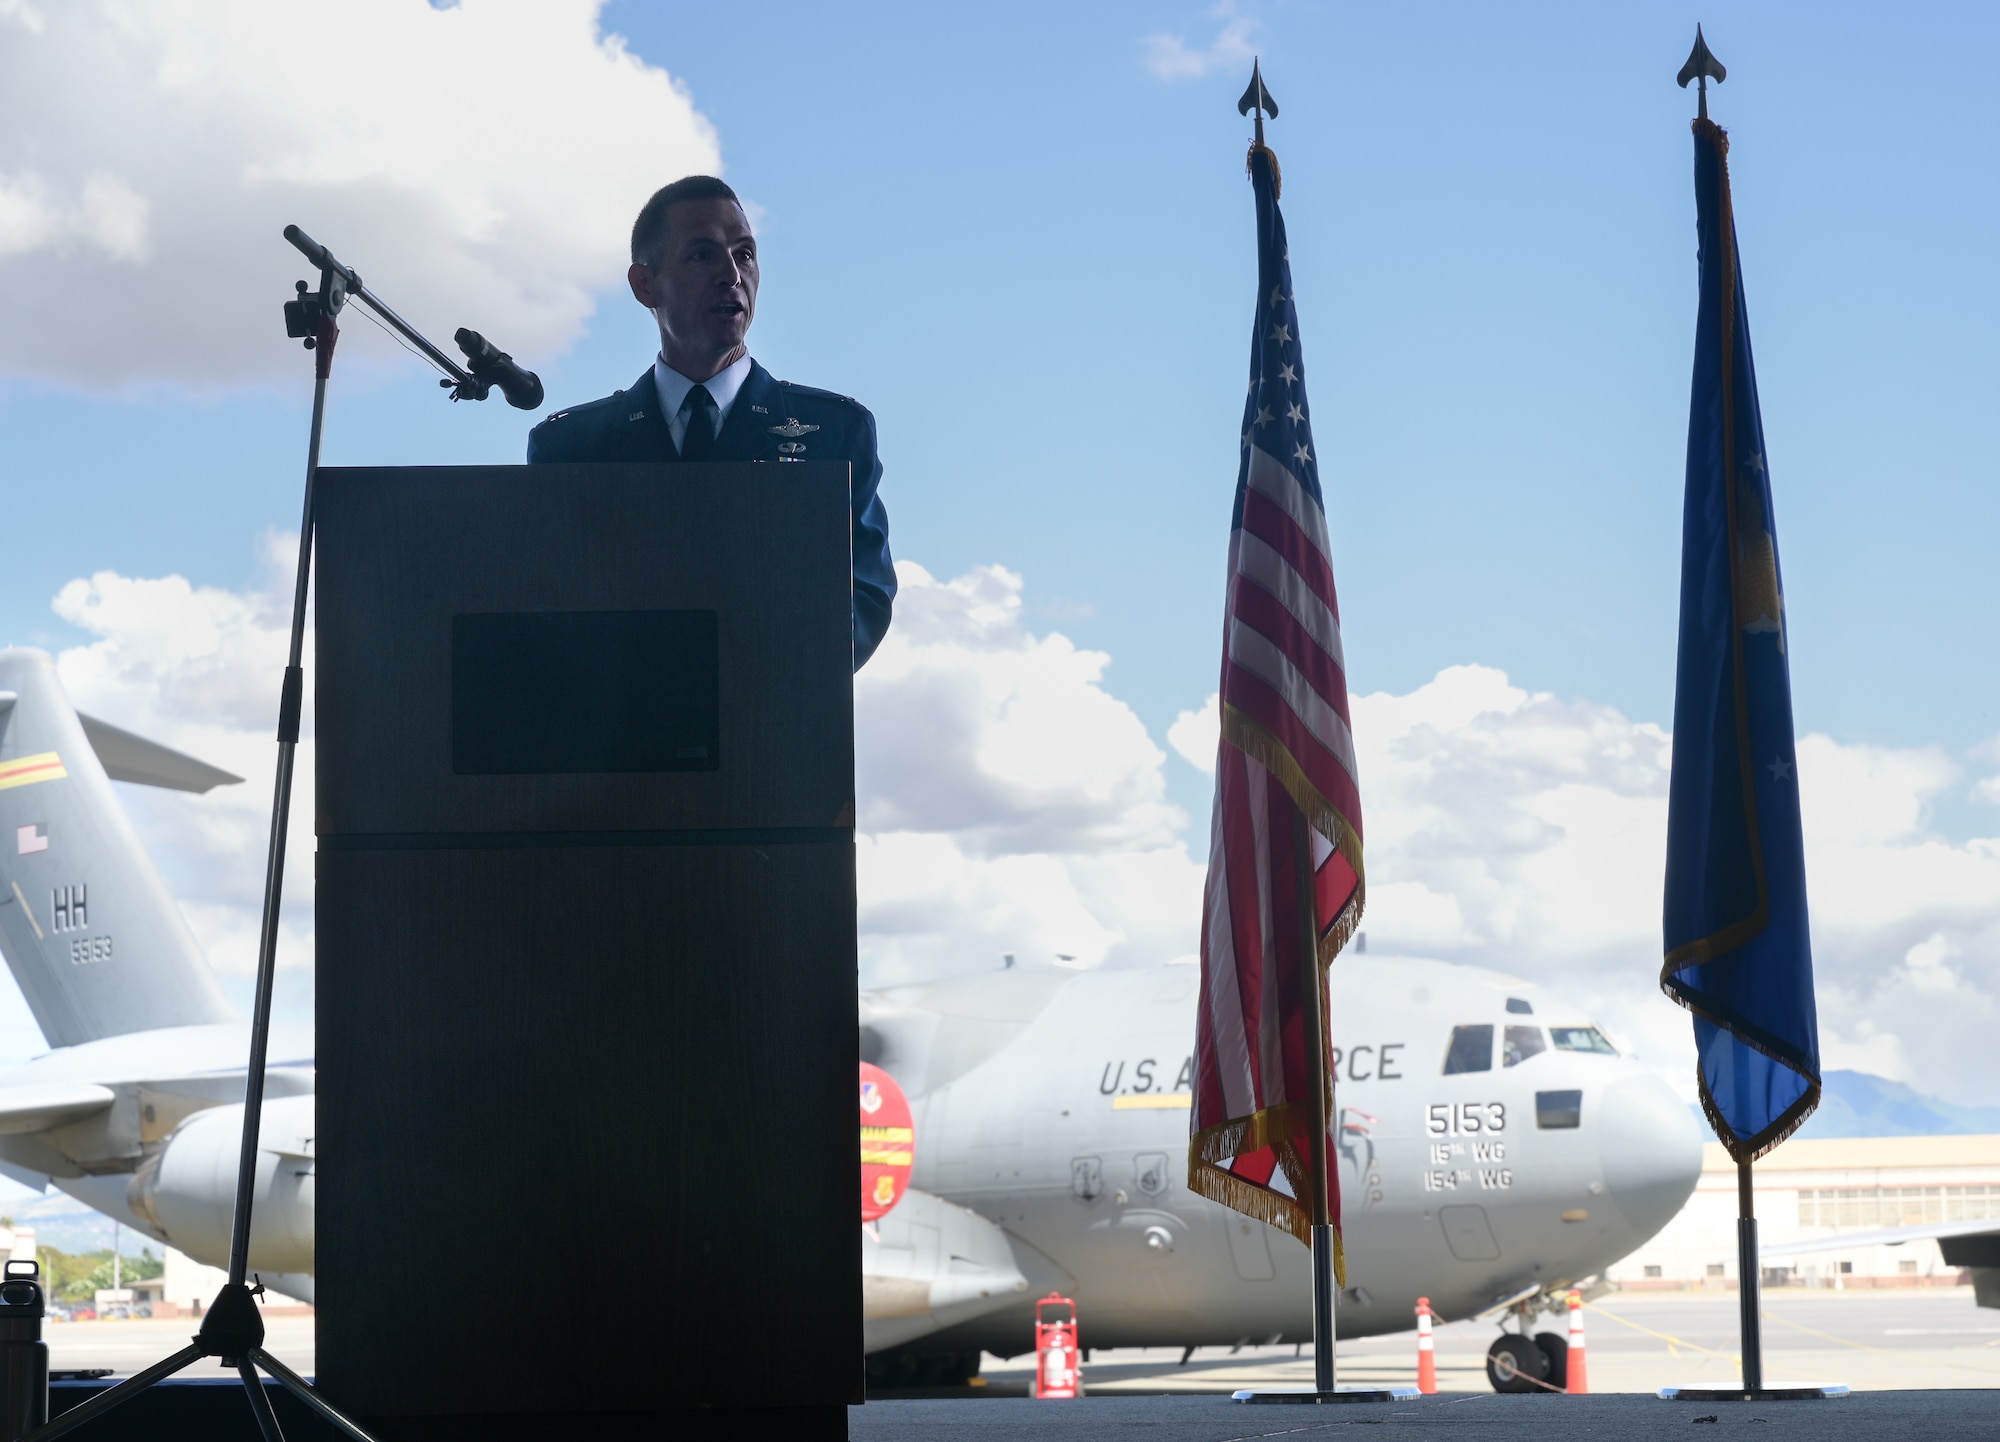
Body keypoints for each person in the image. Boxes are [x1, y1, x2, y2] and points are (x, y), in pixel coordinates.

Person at [527, 176, 895, 668]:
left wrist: (780, 672)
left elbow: (865, 595)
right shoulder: (572, 446)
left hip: (778, 721)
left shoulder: (834, 432)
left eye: (744, 254)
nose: (731, 274)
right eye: (703, 255)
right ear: (644, 284)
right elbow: (546, 608)